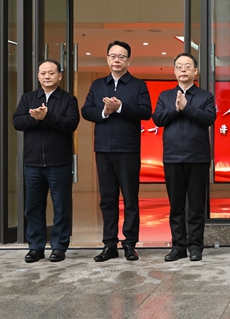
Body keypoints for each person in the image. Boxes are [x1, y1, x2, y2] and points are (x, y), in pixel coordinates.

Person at [81, 41, 151, 262]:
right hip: (103, 149)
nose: (117, 60)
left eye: (121, 56)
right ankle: (109, 244)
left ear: (128, 60)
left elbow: (146, 111)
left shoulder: (138, 85)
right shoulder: (97, 85)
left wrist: (120, 107)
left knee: (130, 198)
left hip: (128, 149)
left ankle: (130, 244)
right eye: (113, 56)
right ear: (107, 59)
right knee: (107, 199)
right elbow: (86, 111)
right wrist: (104, 111)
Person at [13, 60, 80, 263]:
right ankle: (35, 247)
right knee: (33, 207)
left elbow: (71, 124)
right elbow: (17, 121)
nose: (47, 76)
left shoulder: (68, 99)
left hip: (59, 162)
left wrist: (47, 117)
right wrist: (36, 118)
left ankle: (59, 246)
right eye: (43, 73)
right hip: (33, 163)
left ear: (60, 75)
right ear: (38, 76)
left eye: (51, 73)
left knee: (61, 207)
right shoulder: (28, 98)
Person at [152, 53, 217, 262]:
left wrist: (187, 107)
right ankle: (178, 246)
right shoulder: (165, 96)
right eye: (179, 66)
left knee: (196, 205)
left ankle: (196, 246)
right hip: (172, 157)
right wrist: (176, 108)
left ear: (195, 71)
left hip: (198, 157)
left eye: (187, 66)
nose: (183, 69)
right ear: (174, 71)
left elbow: (209, 118)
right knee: (176, 205)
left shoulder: (205, 96)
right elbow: (158, 119)